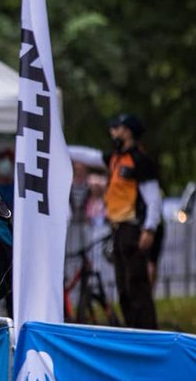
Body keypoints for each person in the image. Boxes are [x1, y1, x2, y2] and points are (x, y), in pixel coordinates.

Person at [70, 113, 163, 329]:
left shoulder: (139, 160)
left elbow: (153, 198)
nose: (113, 132)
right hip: (117, 229)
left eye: (117, 128)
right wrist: (58, 146)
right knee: (123, 287)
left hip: (133, 228)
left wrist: (149, 228)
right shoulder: (115, 158)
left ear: (128, 132)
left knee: (136, 284)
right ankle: (132, 331)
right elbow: (88, 155)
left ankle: (148, 334)